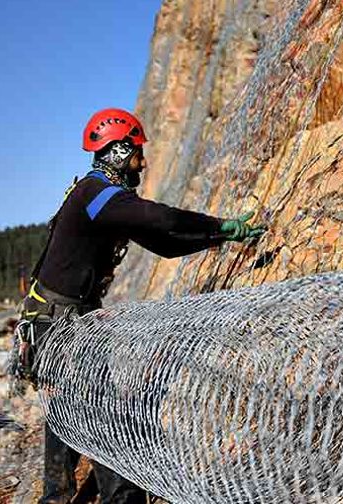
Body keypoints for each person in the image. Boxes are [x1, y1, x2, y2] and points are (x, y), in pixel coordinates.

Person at [16, 108, 266, 504]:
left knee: (67, 404)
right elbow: (159, 217)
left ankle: (58, 495)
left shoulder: (104, 200)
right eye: (136, 152)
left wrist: (219, 236)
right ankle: (120, 497)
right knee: (96, 405)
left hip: (59, 319)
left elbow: (164, 243)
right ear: (117, 151)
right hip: (59, 321)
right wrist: (222, 225)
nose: (142, 161)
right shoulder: (96, 195)